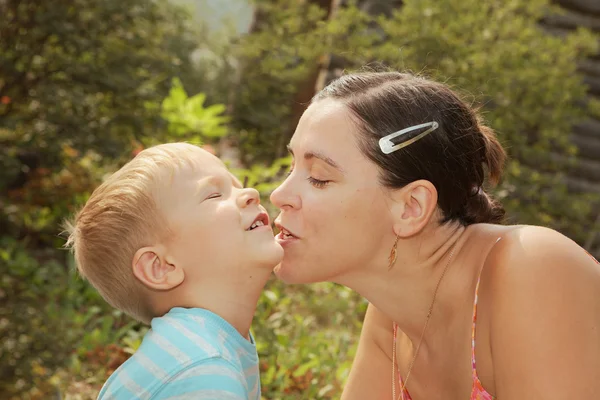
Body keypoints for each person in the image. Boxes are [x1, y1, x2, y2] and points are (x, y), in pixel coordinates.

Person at [270, 71, 600, 399]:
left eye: (318, 177)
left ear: (412, 207)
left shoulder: (532, 268)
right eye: (292, 167)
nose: (279, 194)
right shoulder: (395, 316)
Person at [65, 143, 282, 399]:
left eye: (236, 184)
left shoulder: (198, 351)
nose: (251, 192)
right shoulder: (203, 369)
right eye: (214, 195)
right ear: (161, 267)